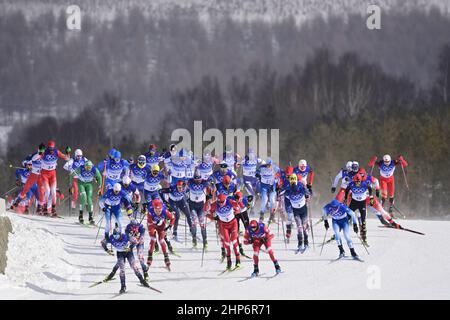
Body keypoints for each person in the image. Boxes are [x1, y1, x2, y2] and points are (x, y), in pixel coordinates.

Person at [104, 226, 150, 294]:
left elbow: (135, 241)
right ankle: (123, 287)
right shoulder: (111, 238)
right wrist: (107, 250)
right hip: (120, 254)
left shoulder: (126, 236)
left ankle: (142, 280)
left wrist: (130, 248)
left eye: (117, 235)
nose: (116, 237)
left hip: (129, 253)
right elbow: (102, 242)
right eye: (114, 235)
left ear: (120, 234)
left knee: (134, 267)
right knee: (122, 269)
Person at [209, 194, 241, 271]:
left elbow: (238, 209)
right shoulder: (214, 205)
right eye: (219, 202)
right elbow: (209, 213)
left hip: (233, 223)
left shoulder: (231, 202)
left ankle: (238, 260)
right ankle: (229, 262)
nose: (220, 204)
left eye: (222, 202)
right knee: (226, 242)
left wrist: (236, 212)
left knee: (234, 240)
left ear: (225, 200)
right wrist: (213, 217)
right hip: (224, 225)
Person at [38, 140, 71, 216]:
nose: (51, 150)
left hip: (52, 174)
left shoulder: (57, 152)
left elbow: (67, 159)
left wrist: (68, 153)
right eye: (50, 149)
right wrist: (40, 151)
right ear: (47, 148)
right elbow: (35, 158)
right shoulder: (44, 152)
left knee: (53, 191)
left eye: (52, 149)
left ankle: (53, 208)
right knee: (47, 190)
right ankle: (45, 207)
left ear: (54, 147)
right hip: (44, 174)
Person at [99, 183, 133, 253]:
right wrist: (103, 208)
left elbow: (128, 197)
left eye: (118, 191)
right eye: (115, 191)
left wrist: (132, 203)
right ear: (113, 189)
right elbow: (101, 201)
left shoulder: (121, 192)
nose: (116, 192)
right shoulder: (109, 192)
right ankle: (106, 237)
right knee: (108, 222)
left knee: (120, 222)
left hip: (116, 207)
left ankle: (123, 236)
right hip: (108, 207)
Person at [10, 145, 45, 213]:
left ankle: (42, 209)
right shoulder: (24, 168)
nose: (30, 166)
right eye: (29, 165)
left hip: (35, 184)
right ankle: (17, 205)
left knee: (39, 196)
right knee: (27, 195)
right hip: (27, 183)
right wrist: (17, 179)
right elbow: (18, 171)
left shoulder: (42, 158)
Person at [344, 173, 374, 246]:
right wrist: (345, 199)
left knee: (363, 222)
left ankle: (364, 238)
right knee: (347, 218)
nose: (357, 183)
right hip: (354, 203)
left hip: (362, 203)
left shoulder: (364, 184)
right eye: (356, 181)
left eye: (359, 181)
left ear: (361, 180)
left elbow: (370, 189)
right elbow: (347, 190)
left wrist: (371, 198)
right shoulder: (351, 184)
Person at [146, 199, 175, 271]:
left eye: (159, 211)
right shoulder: (150, 211)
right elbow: (149, 223)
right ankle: (150, 256)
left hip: (161, 225)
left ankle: (166, 257)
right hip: (152, 225)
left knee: (161, 240)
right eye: (156, 210)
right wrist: (155, 222)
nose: (158, 212)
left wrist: (170, 225)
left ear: (162, 208)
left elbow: (173, 218)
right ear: (154, 209)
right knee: (153, 239)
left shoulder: (165, 211)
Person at [70, 160, 102, 224]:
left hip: (89, 184)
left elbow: (100, 177)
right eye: (87, 168)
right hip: (81, 184)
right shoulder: (80, 168)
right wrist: (71, 186)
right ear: (85, 166)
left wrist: (100, 187)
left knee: (89, 199)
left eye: (89, 168)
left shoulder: (94, 169)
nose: (88, 169)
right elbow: (72, 175)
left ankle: (90, 217)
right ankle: (80, 216)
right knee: (84, 198)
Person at [285, 174, 311, 253]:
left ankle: (306, 243)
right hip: (295, 211)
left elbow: (308, 193)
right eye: (291, 181)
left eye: (294, 181)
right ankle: (300, 244)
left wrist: (307, 194)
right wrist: (278, 191)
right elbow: (283, 195)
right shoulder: (288, 189)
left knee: (304, 226)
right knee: (299, 227)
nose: (293, 182)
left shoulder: (301, 186)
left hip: (303, 210)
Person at [187, 171, 210, 249]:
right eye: (196, 180)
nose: (198, 181)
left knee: (202, 224)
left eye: (199, 180)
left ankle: (205, 241)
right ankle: (194, 239)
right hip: (192, 205)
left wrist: (209, 195)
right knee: (194, 223)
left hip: (201, 206)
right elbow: (186, 182)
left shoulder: (204, 183)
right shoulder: (190, 182)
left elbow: (210, 182)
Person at [256, 158, 280, 223]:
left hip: (272, 186)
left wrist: (278, 182)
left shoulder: (275, 168)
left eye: (270, 165)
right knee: (264, 200)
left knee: (272, 200)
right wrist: (257, 175)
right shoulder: (262, 167)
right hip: (264, 186)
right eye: (267, 165)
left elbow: (280, 173)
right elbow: (257, 172)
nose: (268, 166)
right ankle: (262, 215)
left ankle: (272, 216)